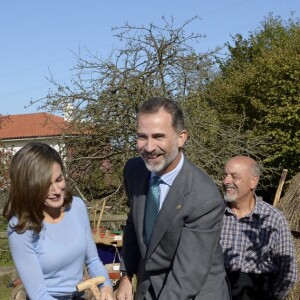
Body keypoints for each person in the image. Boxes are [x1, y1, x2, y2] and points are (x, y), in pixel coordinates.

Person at [116, 97, 231, 300]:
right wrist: (127, 274)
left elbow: (186, 277)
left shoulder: (203, 196)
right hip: (148, 287)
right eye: (142, 137)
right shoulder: (134, 171)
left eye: (159, 137)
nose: (149, 147)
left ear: (181, 138)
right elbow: (134, 223)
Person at [3, 142, 113, 300]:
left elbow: (94, 261)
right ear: (29, 188)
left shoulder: (77, 207)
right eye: (46, 185)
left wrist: (106, 286)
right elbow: (39, 295)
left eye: (59, 179)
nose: (56, 191)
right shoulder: (21, 227)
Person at [220, 155, 297, 300]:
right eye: (225, 175)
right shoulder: (213, 214)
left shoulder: (273, 219)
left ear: (253, 181)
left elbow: (288, 272)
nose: (226, 181)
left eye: (234, 176)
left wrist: (268, 296)